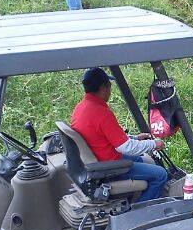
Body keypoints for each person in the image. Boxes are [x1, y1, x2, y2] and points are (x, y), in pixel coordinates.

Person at [71, 68, 169, 203]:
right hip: (109, 167)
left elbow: (105, 137)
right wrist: (154, 144)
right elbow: (126, 147)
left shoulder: (81, 107)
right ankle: (139, 211)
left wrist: (136, 138)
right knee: (161, 175)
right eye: (109, 86)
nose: (110, 90)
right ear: (103, 87)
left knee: (139, 159)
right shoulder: (101, 113)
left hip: (97, 157)